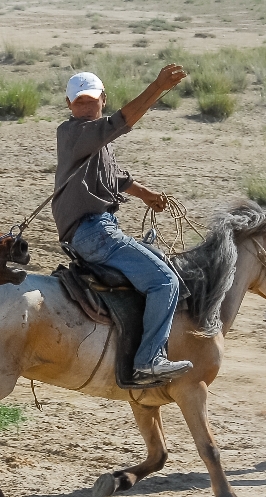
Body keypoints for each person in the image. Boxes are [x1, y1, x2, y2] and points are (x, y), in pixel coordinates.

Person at [53, 66, 193, 385]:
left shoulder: (95, 138)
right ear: (69, 104)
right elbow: (121, 121)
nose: (85, 107)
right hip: (95, 233)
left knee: (162, 263)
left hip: (98, 229)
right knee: (165, 283)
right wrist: (157, 86)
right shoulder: (74, 132)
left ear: (102, 99)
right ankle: (147, 361)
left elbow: (115, 176)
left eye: (90, 101)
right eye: (79, 102)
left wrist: (145, 194)